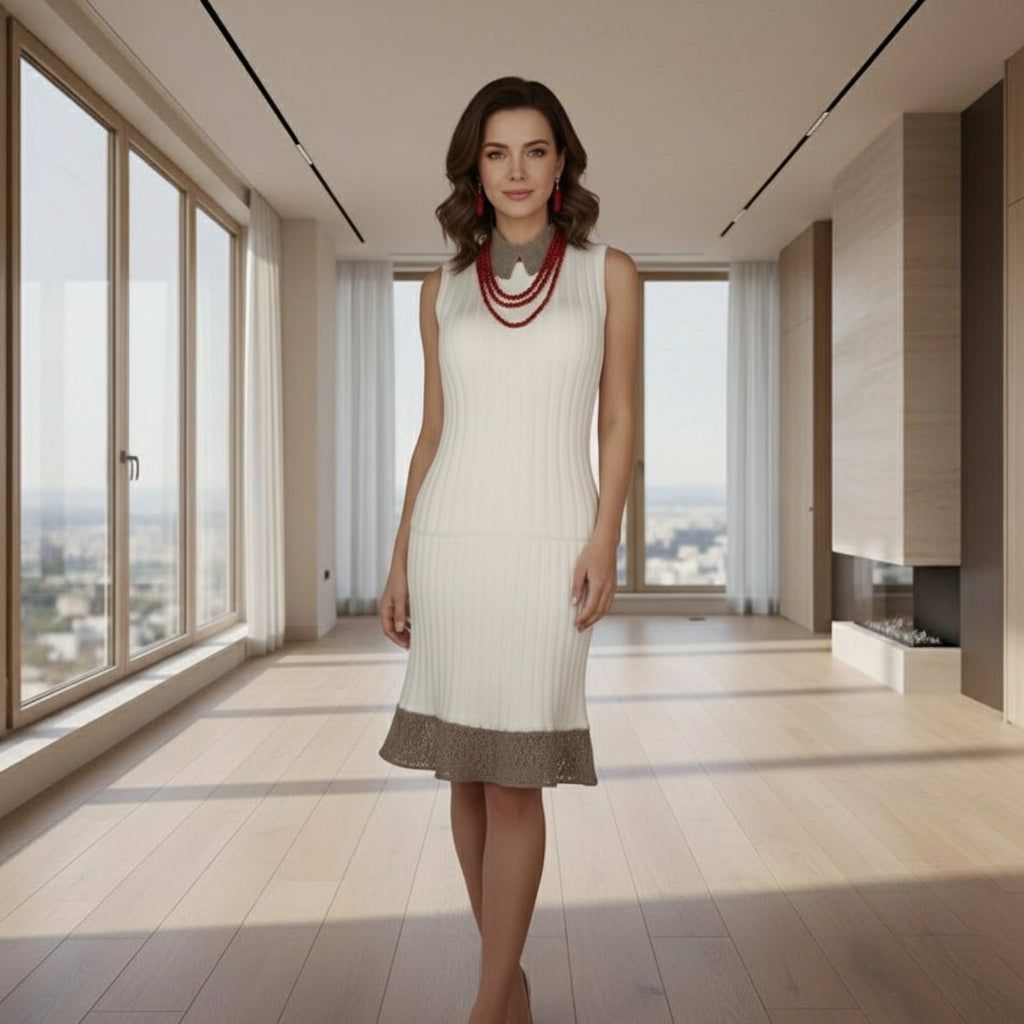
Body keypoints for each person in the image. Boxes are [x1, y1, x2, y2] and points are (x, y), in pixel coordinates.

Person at [379, 76, 639, 1024]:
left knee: (516, 778)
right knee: (466, 769)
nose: (516, 170)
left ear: (561, 161)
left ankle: (488, 1005)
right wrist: (401, 558)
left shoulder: (609, 273)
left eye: (534, 150)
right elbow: (431, 433)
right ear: (475, 169)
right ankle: (508, 986)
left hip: (550, 546)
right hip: (450, 542)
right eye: (497, 153)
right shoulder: (440, 288)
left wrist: (606, 534)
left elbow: (618, 420)